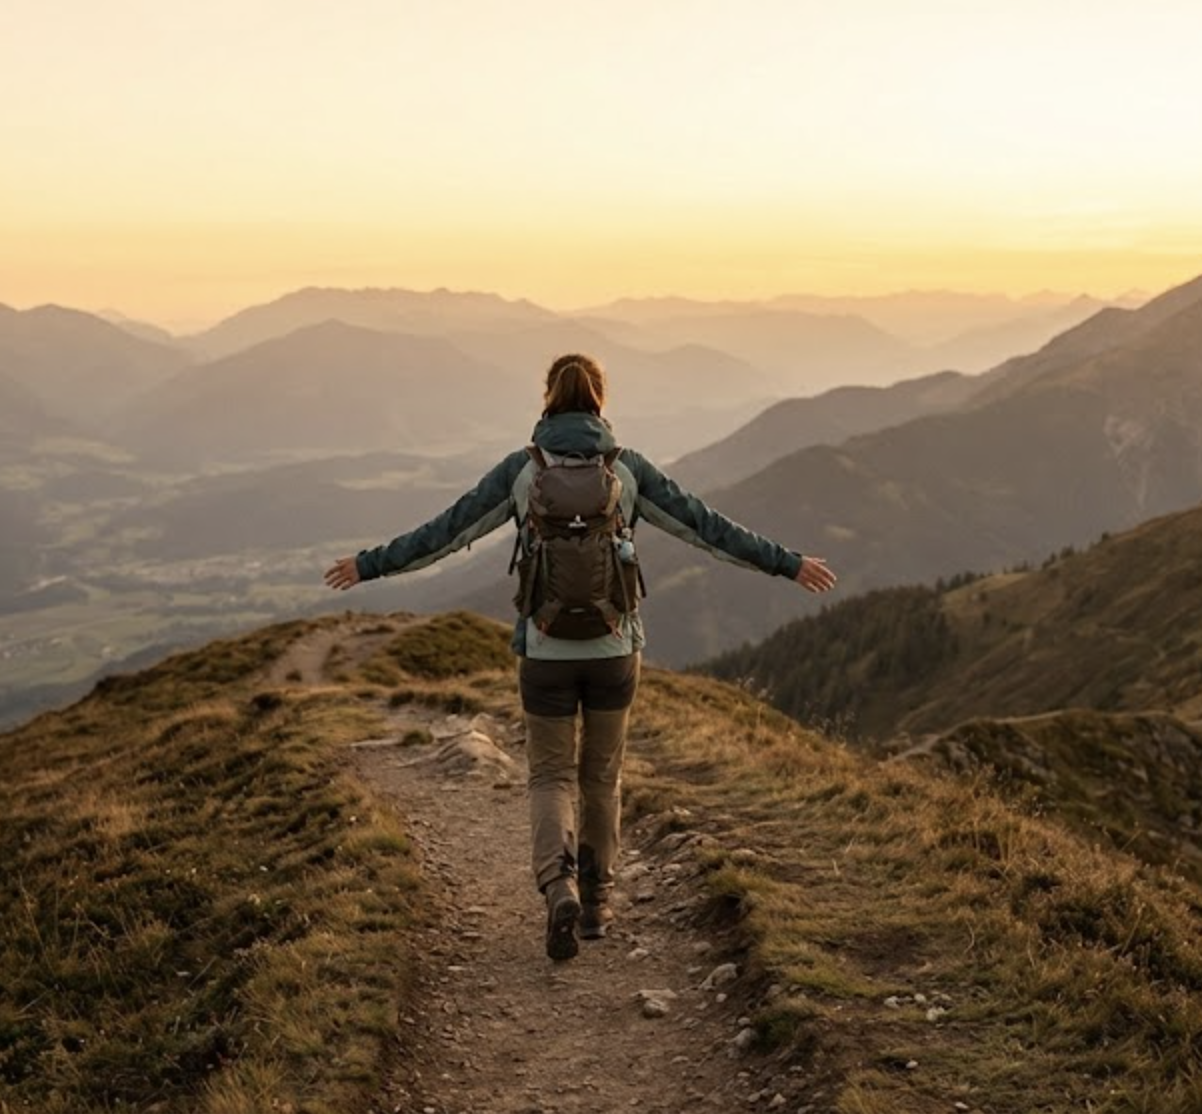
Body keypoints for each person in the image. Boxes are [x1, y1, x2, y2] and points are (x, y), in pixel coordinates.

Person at [324, 353, 837, 961]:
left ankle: (558, 886)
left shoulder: (523, 470)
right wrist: (787, 562)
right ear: (601, 400)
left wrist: (370, 563)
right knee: (601, 777)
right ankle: (596, 902)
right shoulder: (629, 472)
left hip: (544, 653)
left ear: (547, 398)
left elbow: (447, 533)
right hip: (615, 651)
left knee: (548, 775)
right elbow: (708, 528)